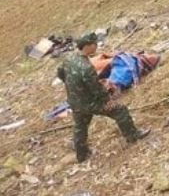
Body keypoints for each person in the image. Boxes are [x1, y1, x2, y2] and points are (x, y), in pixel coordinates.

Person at [56, 33, 149, 163]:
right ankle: (132, 136)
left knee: (80, 127)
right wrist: (107, 101)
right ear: (88, 46)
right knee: (120, 110)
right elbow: (96, 89)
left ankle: (81, 154)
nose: (96, 46)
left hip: (75, 102)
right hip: (90, 102)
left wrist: (72, 86)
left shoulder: (68, 59)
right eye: (94, 44)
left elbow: (60, 73)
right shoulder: (86, 68)